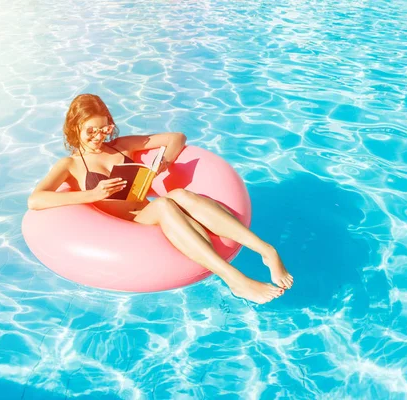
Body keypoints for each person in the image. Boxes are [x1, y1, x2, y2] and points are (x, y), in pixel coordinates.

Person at [27, 94, 293, 304]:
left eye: (103, 129)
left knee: (179, 195)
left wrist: (162, 163)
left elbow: (176, 138)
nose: (99, 137)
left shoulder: (120, 146)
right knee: (165, 203)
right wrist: (92, 195)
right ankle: (235, 278)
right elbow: (36, 200)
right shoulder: (69, 165)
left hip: (145, 211)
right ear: (75, 128)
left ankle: (266, 250)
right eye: (90, 131)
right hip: (127, 226)